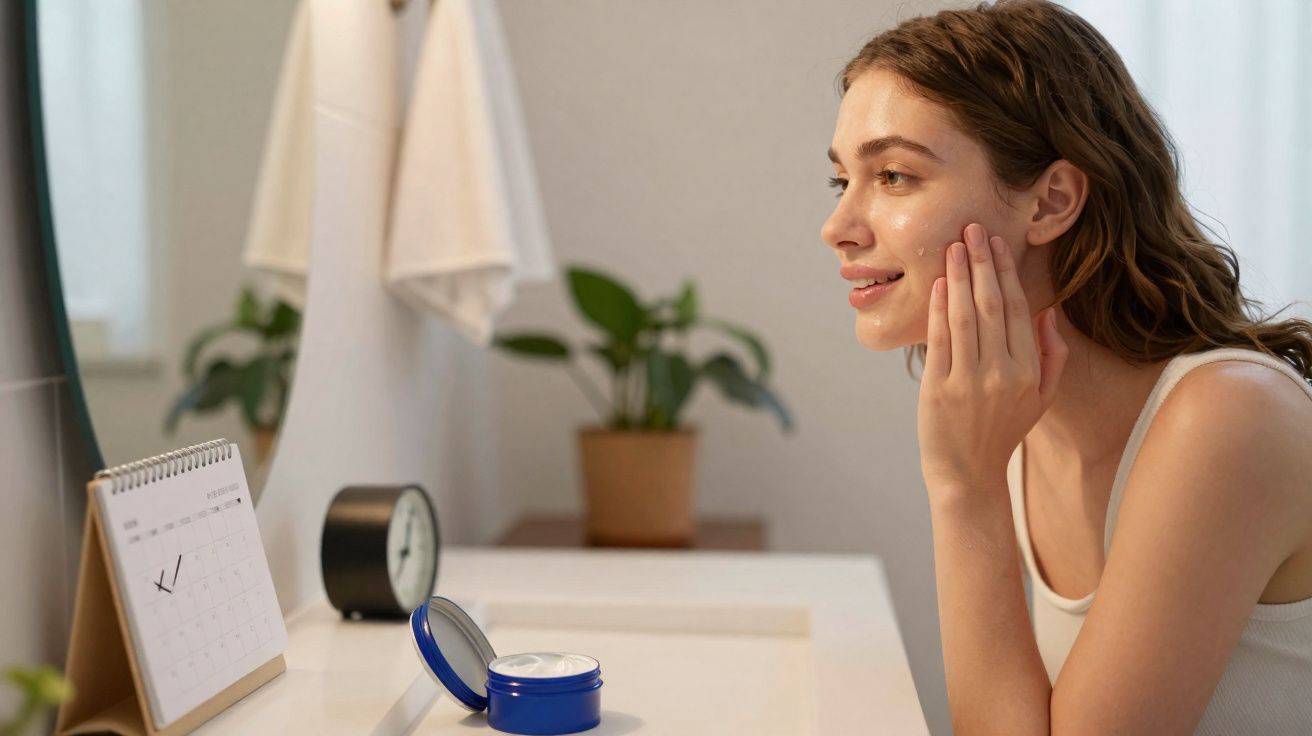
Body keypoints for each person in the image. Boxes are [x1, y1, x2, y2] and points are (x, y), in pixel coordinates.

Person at [820, 1, 1312, 733]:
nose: (839, 227)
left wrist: (963, 489)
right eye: (842, 181)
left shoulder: (1229, 418)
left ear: (1051, 201)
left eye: (893, 176)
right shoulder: (1021, 414)